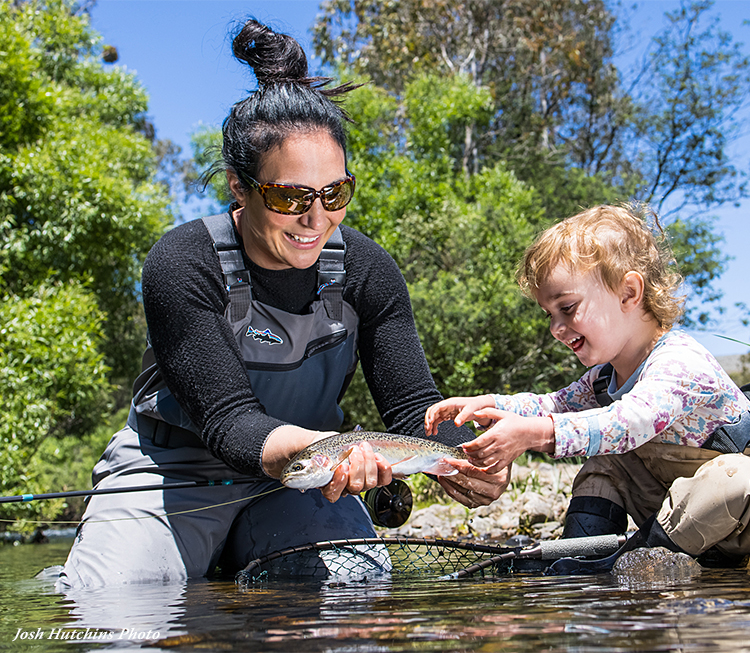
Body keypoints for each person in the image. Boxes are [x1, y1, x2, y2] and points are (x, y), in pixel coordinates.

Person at [56, 19, 507, 589]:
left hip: (310, 476)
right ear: (239, 188)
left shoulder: (369, 271)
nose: (315, 219)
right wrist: (342, 449)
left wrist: (473, 457)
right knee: (112, 607)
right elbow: (229, 422)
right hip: (175, 469)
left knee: (351, 593)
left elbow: (413, 409)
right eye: (290, 196)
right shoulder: (181, 262)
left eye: (334, 194)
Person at [426, 203, 750, 567]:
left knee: (730, 476)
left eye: (567, 308)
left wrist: (534, 436)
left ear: (629, 292)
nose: (555, 328)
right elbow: (555, 404)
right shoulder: (606, 375)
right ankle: (579, 560)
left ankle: (637, 563)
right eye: (548, 314)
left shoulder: (678, 362)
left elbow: (630, 421)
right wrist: (488, 404)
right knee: (606, 464)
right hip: (687, 520)